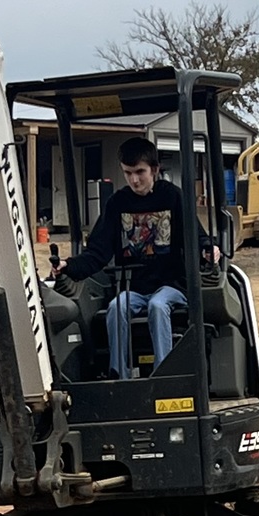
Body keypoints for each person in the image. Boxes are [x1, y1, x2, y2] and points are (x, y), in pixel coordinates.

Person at [51, 136, 219, 378]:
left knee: (158, 305)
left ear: (155, 170)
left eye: (140, 172)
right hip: (134, 288)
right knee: (116, 307)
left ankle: (164, 374)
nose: (134, 179)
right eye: (128, 173)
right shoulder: (117, 203)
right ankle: (119, 374)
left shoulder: (174, 197)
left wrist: (207, 249)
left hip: (171, 286)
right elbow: (97, 251)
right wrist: (69, 265)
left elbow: (196, 236)